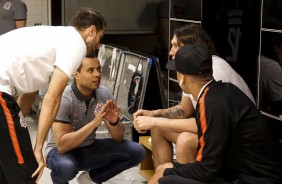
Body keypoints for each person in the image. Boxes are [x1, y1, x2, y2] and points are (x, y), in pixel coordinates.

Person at [0, 7, 106, 183]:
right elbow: (52, 98)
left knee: (6, 169)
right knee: (28, 171)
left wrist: (20, 124)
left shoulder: (54, 37)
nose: (98, 45)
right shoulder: (76, 43)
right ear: (91, 30)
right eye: (99, 38)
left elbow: (29, 90)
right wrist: (38, 148)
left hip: (5, 91)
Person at [150, 44, 282, 184]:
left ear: (182, 77)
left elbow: (206, 171)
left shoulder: (211, 101)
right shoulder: (220, 92)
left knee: (164, 178)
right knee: (164, 170)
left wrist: (167, 171)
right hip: (245, 172)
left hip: (257, 180)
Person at [133, 24, 255, 169]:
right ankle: (164, 176)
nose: (171, 52)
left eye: (175, 46)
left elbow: (207, 124)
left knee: (186, 140)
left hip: (235, 140)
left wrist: (156, 121)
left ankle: (183, 177)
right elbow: (184, 110)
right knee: (159, 129)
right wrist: (154, 114)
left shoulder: (213, 70)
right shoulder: (192, 68)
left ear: (190, 48)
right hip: (215, 131)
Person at [44, 56, 145, 184]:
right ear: (76, 74)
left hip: (89, 147)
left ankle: (90, 179)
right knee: (66, 166)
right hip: (59, 152)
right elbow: (62, 146)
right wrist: (94, 124)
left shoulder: (104, 94)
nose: (97, 74)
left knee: (137, 151)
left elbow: (118, 138)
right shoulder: (65, 98)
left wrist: (114, 122)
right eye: (90, 70)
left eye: (99, 69)